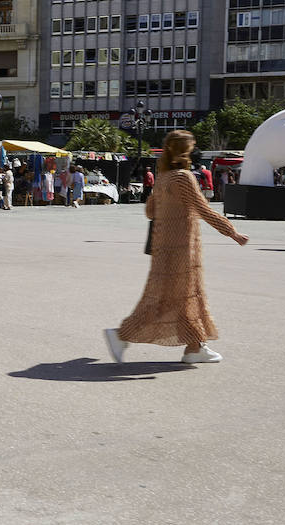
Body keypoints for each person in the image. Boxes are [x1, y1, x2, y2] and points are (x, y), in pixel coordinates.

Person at [104, 130, 249, 365]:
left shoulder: (163, 177)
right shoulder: (182, 178)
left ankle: (195, 346)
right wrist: (232, 232)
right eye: (191, 148)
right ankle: (121, 335)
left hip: (163, 246)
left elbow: (150, 212)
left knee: (180, 297)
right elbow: (203, 210)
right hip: (181, 247)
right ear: (185, 151)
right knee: (171, 297)